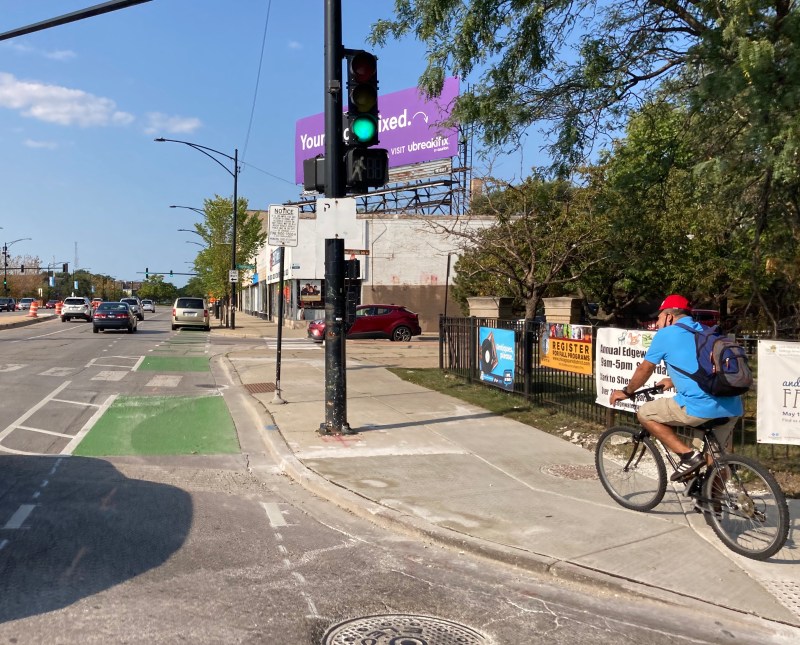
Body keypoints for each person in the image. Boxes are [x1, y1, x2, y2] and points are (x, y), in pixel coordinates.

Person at [608, 294, 743, 481]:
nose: (657, 322)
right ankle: (712, 498)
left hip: (699, 406)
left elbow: (645, 368)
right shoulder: (707, 331)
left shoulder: (666, 334)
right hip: (731, 406)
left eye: (659, 317)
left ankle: (688, 456)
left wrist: (626, 391)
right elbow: (702, 365)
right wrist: (672, 380)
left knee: (645, 413)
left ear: (669, 317)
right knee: (716, 461)